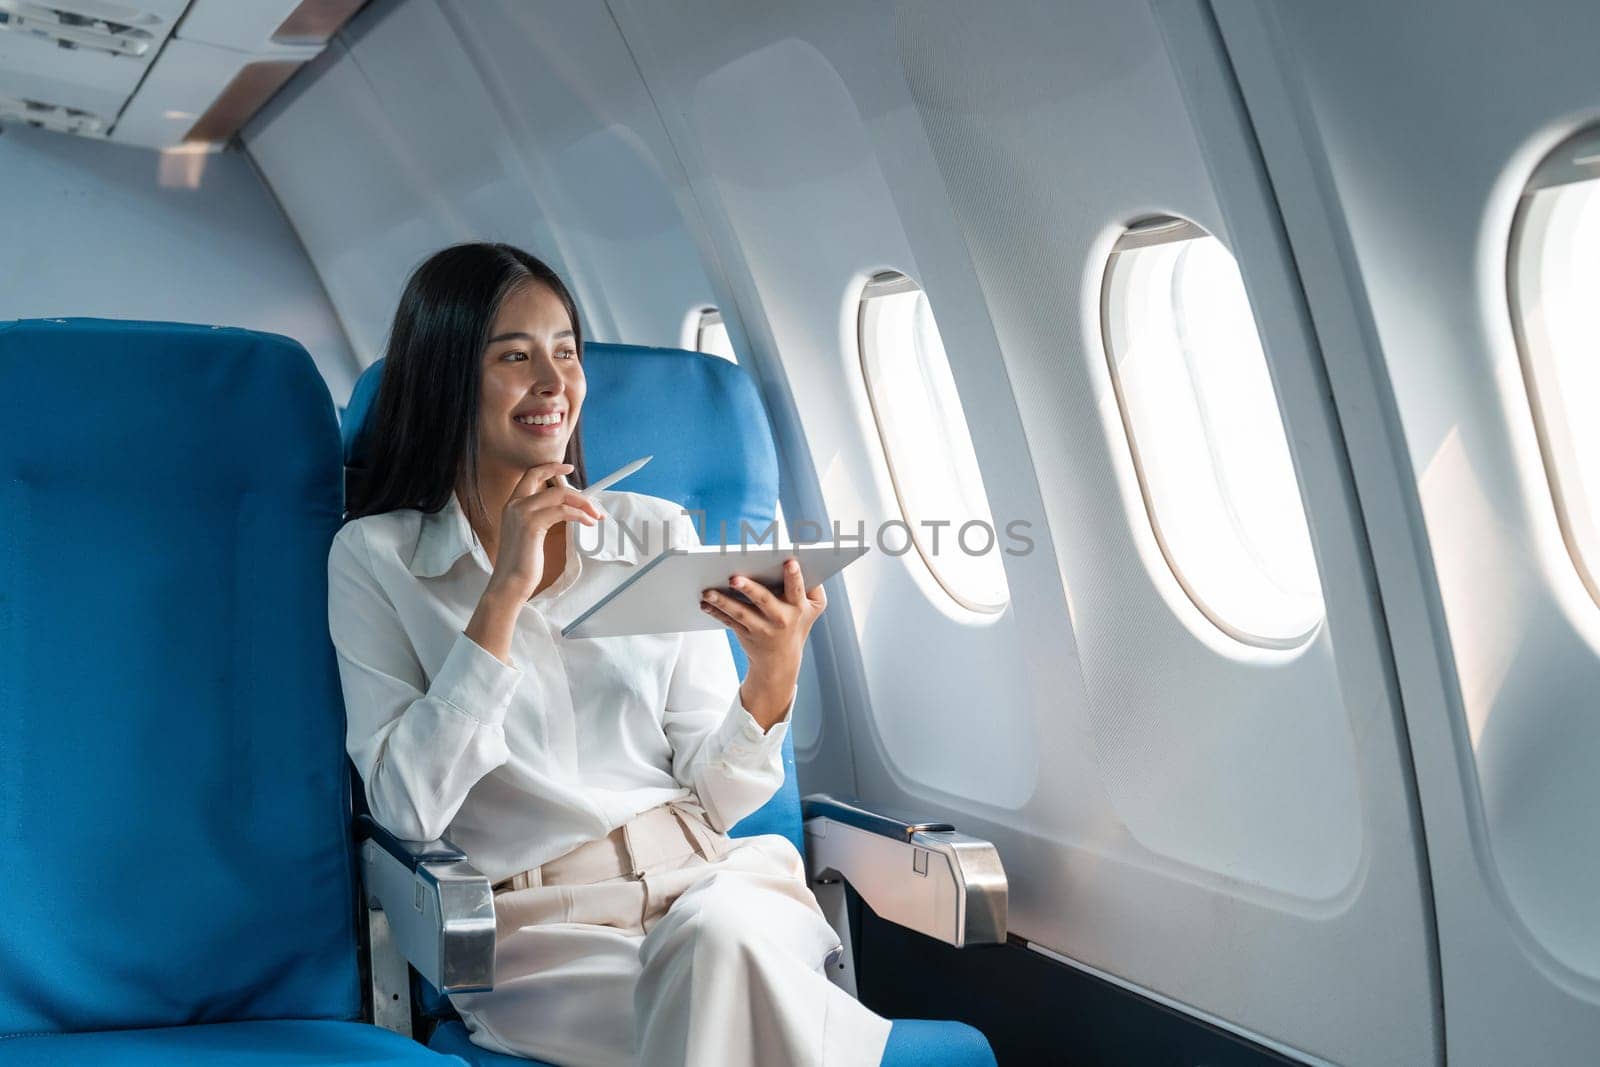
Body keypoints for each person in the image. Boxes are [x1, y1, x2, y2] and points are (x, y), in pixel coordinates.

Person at [327, 242, 893, 1066]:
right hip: (544, 939)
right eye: (516, 356)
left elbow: (721, 794)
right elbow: (408, 808)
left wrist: (773, 673)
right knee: (727, 983)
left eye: (566, 352)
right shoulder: (374, 559)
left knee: (717, 945)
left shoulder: (655, 530)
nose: (554, 384)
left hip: (714, 881)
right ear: (448, 377)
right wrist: (503, 595)